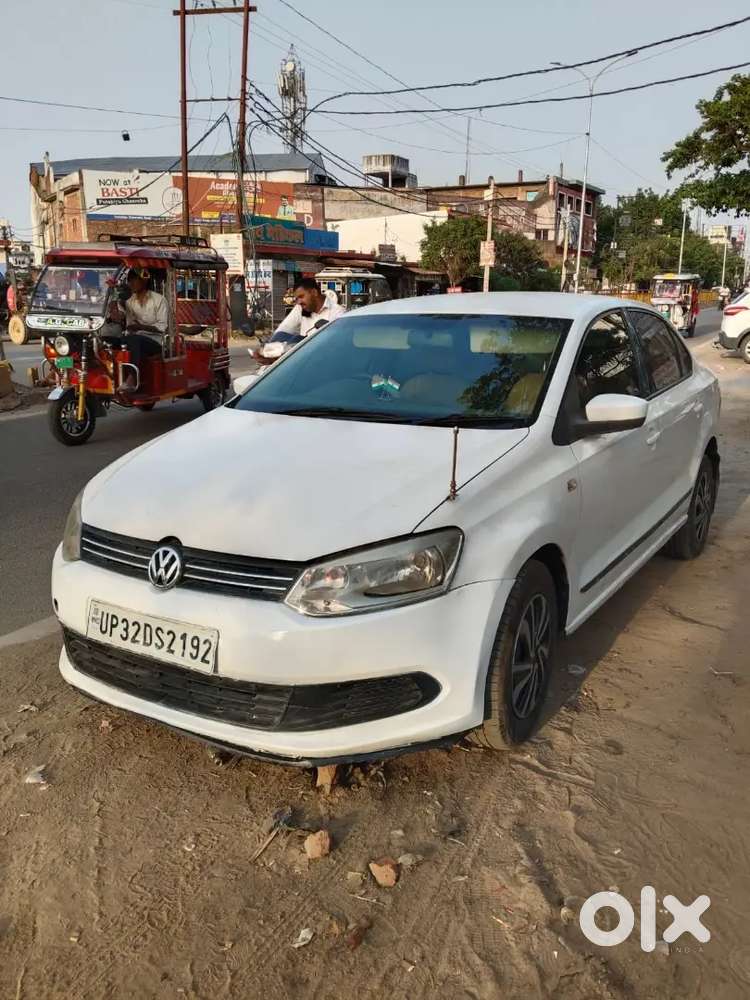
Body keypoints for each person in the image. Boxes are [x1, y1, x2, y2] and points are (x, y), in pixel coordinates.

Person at [255, 277, 345, 364]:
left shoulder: (337, 312)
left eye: (301, 296)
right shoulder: (301, 308)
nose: (298, 302)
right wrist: (269, 350)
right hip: (302, 359)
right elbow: (284, 329)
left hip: (325, 359)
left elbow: (334, 343)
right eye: (297, 298)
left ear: (314, 292)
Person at [118, 267, 169, 389]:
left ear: (144, 280)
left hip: (156, 342)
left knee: (135, 339)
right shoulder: (129, 302)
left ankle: (132, 377)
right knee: (110, 340)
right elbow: (131, 326)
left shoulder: (159, 300)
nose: (131, 283)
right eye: (129, 280)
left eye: (134, 280)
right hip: (136, 339)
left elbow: (162, 327)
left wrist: (140, 326)